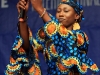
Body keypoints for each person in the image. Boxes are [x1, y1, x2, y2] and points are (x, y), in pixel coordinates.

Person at [5, 0, 99, 75]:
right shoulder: (50, 37)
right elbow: (27, 46)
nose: (61, 14)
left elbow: (64, 38)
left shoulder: (80, 37)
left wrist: (40, 9)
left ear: (76, 16)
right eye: (58, 11)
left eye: (66, 11)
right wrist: (23, 19)